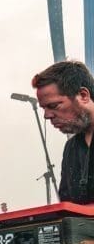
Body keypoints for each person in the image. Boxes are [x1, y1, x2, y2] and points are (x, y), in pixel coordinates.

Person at [31, 60, 94, 204]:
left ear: (83, 96)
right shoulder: (70, 148)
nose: (47, 116)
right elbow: (68, 206)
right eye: (44, 108)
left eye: (53, 106)